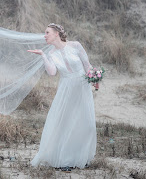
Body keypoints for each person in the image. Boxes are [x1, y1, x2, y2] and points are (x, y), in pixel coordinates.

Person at [28, 23, 96, 172]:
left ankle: (81, 158)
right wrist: (43, 56)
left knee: (87, 123)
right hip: (66, 89)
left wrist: (95, 80)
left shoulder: (76, 45)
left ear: (57, 33)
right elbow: (52, 72)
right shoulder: (51, 53)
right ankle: (64, 159)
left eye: (47, 33)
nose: (44, 35)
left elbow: (87, 65)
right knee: (65, 123)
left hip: (82, 87)